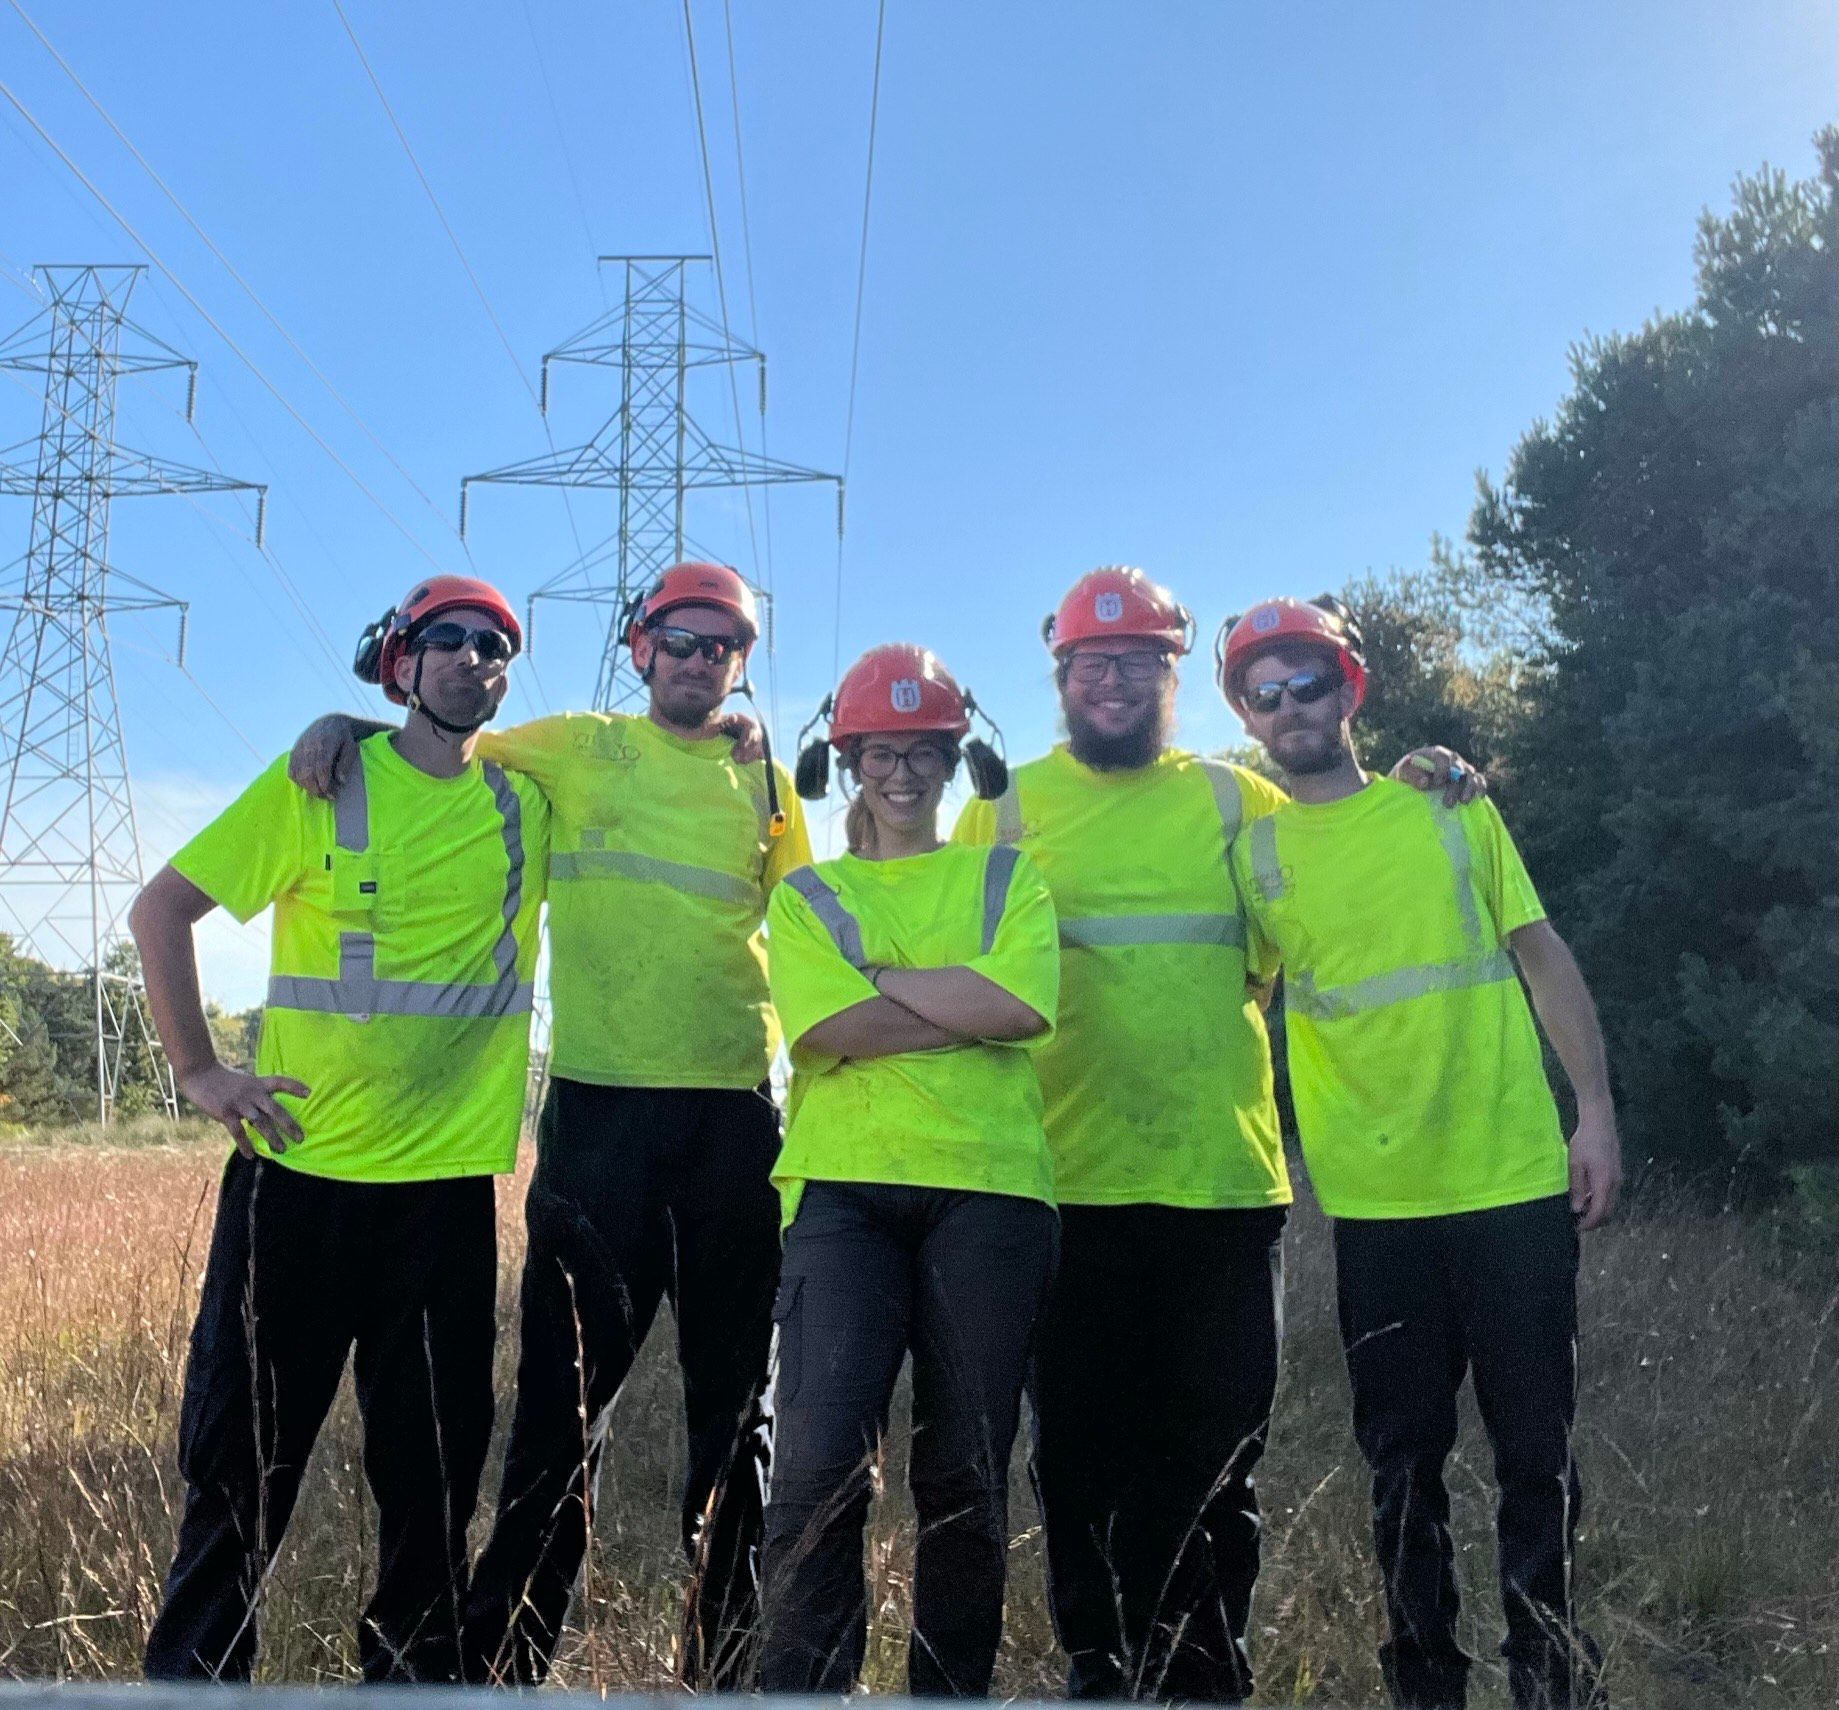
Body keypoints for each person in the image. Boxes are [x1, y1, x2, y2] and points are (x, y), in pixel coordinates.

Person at [953, 566, 1486, 1702]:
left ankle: (1203, 1675)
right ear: (1061, 677)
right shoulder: (999, 810)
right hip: (1059, 1189)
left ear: (1170, 678)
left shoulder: (1238, 802)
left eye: (1138, 662)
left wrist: (1418, 777)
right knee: (1080, 1461)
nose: (1114, 681)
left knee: (1211, 1461)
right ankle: (1103, 1668)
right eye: (1094, 663)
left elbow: (1348, 849)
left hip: (1219, 1192)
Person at [288, 561, 808, 1687]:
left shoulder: (763, 775)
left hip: (733, 1124)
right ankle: (501, 1672)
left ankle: (722, 1670)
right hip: (599, 1124)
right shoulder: (572, 745)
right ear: (638, 649)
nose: (699, 662)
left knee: (740, 1423)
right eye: (680, 640)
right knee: (560, 1422)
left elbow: (806, 926)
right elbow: (439, 742)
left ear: (742, 663)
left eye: (722, 647)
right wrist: (348, 719)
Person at [135, 576, 548, 1682]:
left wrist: (742, 728)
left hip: (444, 1200)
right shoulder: (322, 780)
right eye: (448, 641)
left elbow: (657, 747)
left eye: (496, 645)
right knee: (238, 1471)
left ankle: (411, 1690)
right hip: (299, 1189)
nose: (474, 658)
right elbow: (160, 910)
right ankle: (191, 1689)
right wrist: (198, 1070)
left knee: (434, 1483)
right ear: (398, 660)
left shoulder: (529, 800)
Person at [1221, 595, 1619, 1710]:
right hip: (1376, 1210)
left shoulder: (1449, 807)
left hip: (1510, 1183)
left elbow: (1542, 958)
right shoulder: (1251, 855)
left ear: (1349, 689)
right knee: (1404, 1467)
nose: (1290, 705)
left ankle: (1550, 1677)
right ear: (1246, 718)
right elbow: (1230, 996)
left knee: (1538, 1455)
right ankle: (1423, 1683)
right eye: (1266, 692)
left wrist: (1594, 1110)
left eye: (1308, 682)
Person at [758, 643, 1060, 1697]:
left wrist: (883, 981)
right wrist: (952, 1005)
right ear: (846, 764)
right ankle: (804, 1693)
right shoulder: (806, 898)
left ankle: (948, 1699)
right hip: (842, 1196)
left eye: (923, 752)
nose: (901, 774)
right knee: (812, 1473)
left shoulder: (1005, 877)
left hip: (993, 1194)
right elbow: (827, 1028)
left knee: (966, 1478)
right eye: (877, 754)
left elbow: (1020, 1009)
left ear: (955, 760)